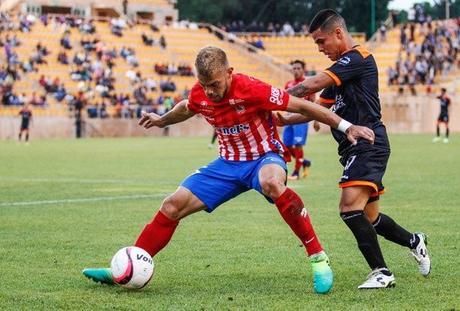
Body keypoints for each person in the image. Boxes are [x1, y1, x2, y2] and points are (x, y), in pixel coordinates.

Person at [82, 46, 375, 294]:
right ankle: (129, 267)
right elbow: (186, 107)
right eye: (205, 85)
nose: (211, 91)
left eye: (216, 84)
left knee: (273, 183)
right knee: (171, 205)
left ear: (229, 72)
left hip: (264, 157)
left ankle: (317, 257)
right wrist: (161, 120)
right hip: (227, 164)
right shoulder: (201, 94)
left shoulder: (252, 88)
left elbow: (302, 106)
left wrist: (346, 126)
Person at [278, 9, 431, 289]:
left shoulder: (356, 58)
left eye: (321, 42)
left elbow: (311, 85)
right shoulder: (341, 70)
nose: (320, 49)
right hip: (353, 149)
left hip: (368, 143)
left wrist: (270, 98)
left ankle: (381, 272)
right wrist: (282, 119)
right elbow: (316, 111)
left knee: (349, 207)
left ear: (338, 33)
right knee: (370, 217)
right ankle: (414, 240)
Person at [283, 60, 315, 180]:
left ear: (303, 70)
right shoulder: (288, 84)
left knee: (298, 145)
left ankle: (296, 173)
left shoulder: (308, 84)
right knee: (286, 146)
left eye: (298, 68)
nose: (296, 70)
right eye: (294, 68)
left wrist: (316, 120)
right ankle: (304, 162)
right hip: (289, 117)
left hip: (301, 118)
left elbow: (313, 102)